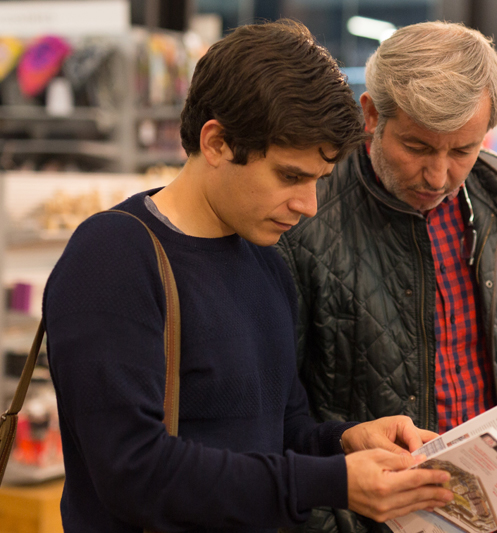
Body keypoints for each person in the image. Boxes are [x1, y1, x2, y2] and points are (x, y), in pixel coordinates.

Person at [43, 20, 453, 533]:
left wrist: (344, 441)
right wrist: (332, 482)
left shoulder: (265, 262)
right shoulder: (113, 259)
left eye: (319, 180)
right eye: (290, 176)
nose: (308, 206)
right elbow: (133, 472)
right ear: (216, 142)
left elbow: (278, 432)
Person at [277, 21, 497, 532]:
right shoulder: (305, 217)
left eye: (462, 150)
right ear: (372, 114)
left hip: (492, 506)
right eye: (418, 147)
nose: (438, 176)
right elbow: (282, 412)